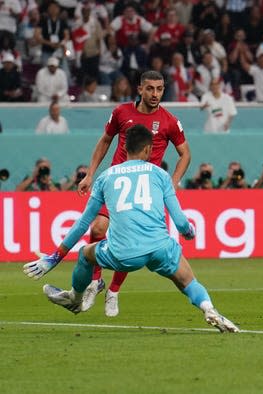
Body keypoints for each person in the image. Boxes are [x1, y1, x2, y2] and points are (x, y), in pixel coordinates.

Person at [23, 125, 238, 333]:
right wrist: (189, 233)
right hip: (159, 247)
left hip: (124, 254)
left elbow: (83, 223)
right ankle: (209, 308)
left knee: (84, 254)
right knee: (187, 280)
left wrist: (54, 257)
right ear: (148, 149)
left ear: (124, 148)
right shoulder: (160, 175)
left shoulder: (106, 177)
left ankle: (75, 299)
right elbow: (181, 222)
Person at [75, 70, 192, 317]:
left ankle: (114, 291)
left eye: (159, 89)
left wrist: (172, 182)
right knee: (97, 229)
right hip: (116, 186)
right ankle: (97, 282)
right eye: (150, 88)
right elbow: (105, 141)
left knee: (130, 241)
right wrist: (90, 174)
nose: (155, 94)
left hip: (145, 192)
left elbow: (185, 154)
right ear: (140, 89)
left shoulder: (169, 121)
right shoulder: (122, 112)